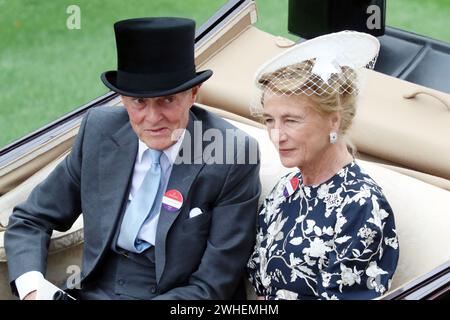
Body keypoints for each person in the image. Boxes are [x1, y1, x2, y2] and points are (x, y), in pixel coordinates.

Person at [5, 17, 261, 300]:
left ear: (193, 94)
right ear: (122, 99)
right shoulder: (99, 131)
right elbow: (30, 219)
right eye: (139, 102)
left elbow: (213, 287)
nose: (152, 119)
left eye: (167, 100)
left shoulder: (232, 154)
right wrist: (32, 290)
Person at [246, 31, 399, 300]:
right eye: (270, 120)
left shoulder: (361, 205)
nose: (276, 135)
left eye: (291, 120)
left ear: (334, 121)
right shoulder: (288, 186)